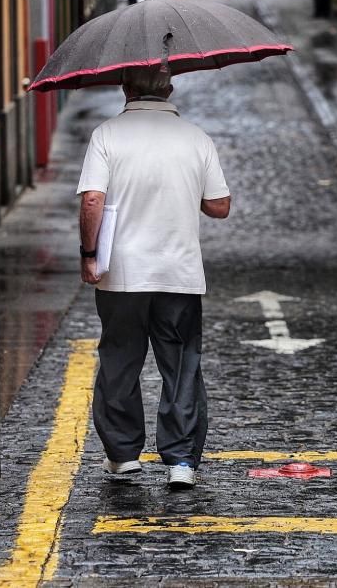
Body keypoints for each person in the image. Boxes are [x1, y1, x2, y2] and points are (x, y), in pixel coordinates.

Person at [76, 65, 231, 490]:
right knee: (181, 367)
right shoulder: (196, 137)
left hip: (122, 274)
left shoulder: (107, 135)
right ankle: (181, 459)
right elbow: (220, 205)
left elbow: (93, 199)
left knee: (119, 362)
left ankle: (123, 455)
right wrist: (184, 191)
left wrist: (90, 254)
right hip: (178, 274)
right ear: (170, 88)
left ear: (125, 88)